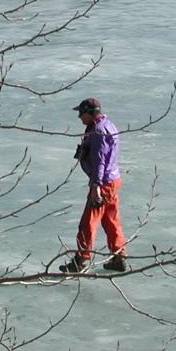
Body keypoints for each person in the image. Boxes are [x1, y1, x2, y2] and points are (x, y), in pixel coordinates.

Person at [61, 97, 127, 273]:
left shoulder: (98, 132)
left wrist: (96, 186)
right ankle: (119, 257)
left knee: (87, 222)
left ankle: (80, 260)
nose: (79, 117)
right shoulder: (108, 125)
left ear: (91, 113)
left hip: (103, 183)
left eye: (81, 113)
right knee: (110, 220)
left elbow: (100, 161)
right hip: (113, 180)